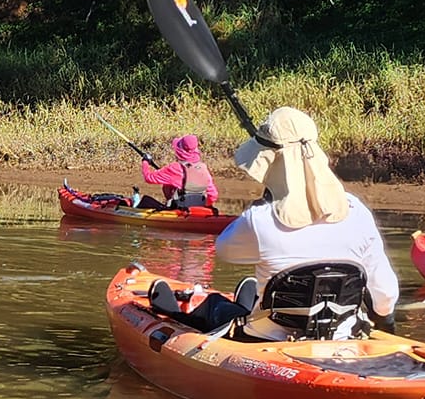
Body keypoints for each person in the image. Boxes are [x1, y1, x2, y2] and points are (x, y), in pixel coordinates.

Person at [152, 108, 397, 332]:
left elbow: (225, 250)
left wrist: (264, 202)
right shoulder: (358, 212)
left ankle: (171, 313)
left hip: (268, 341)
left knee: (215, 306)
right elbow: (385, 297)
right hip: (342, 337)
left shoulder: (259, 219)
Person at [137, 134, 218, 211]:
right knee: (167, 186)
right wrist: (204, 206)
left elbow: (148, 178)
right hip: (198, 209)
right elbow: (213, 195)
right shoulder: (202, 168)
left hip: (180, 210)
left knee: (145, 201)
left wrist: (145, 162)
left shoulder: (174, 168)